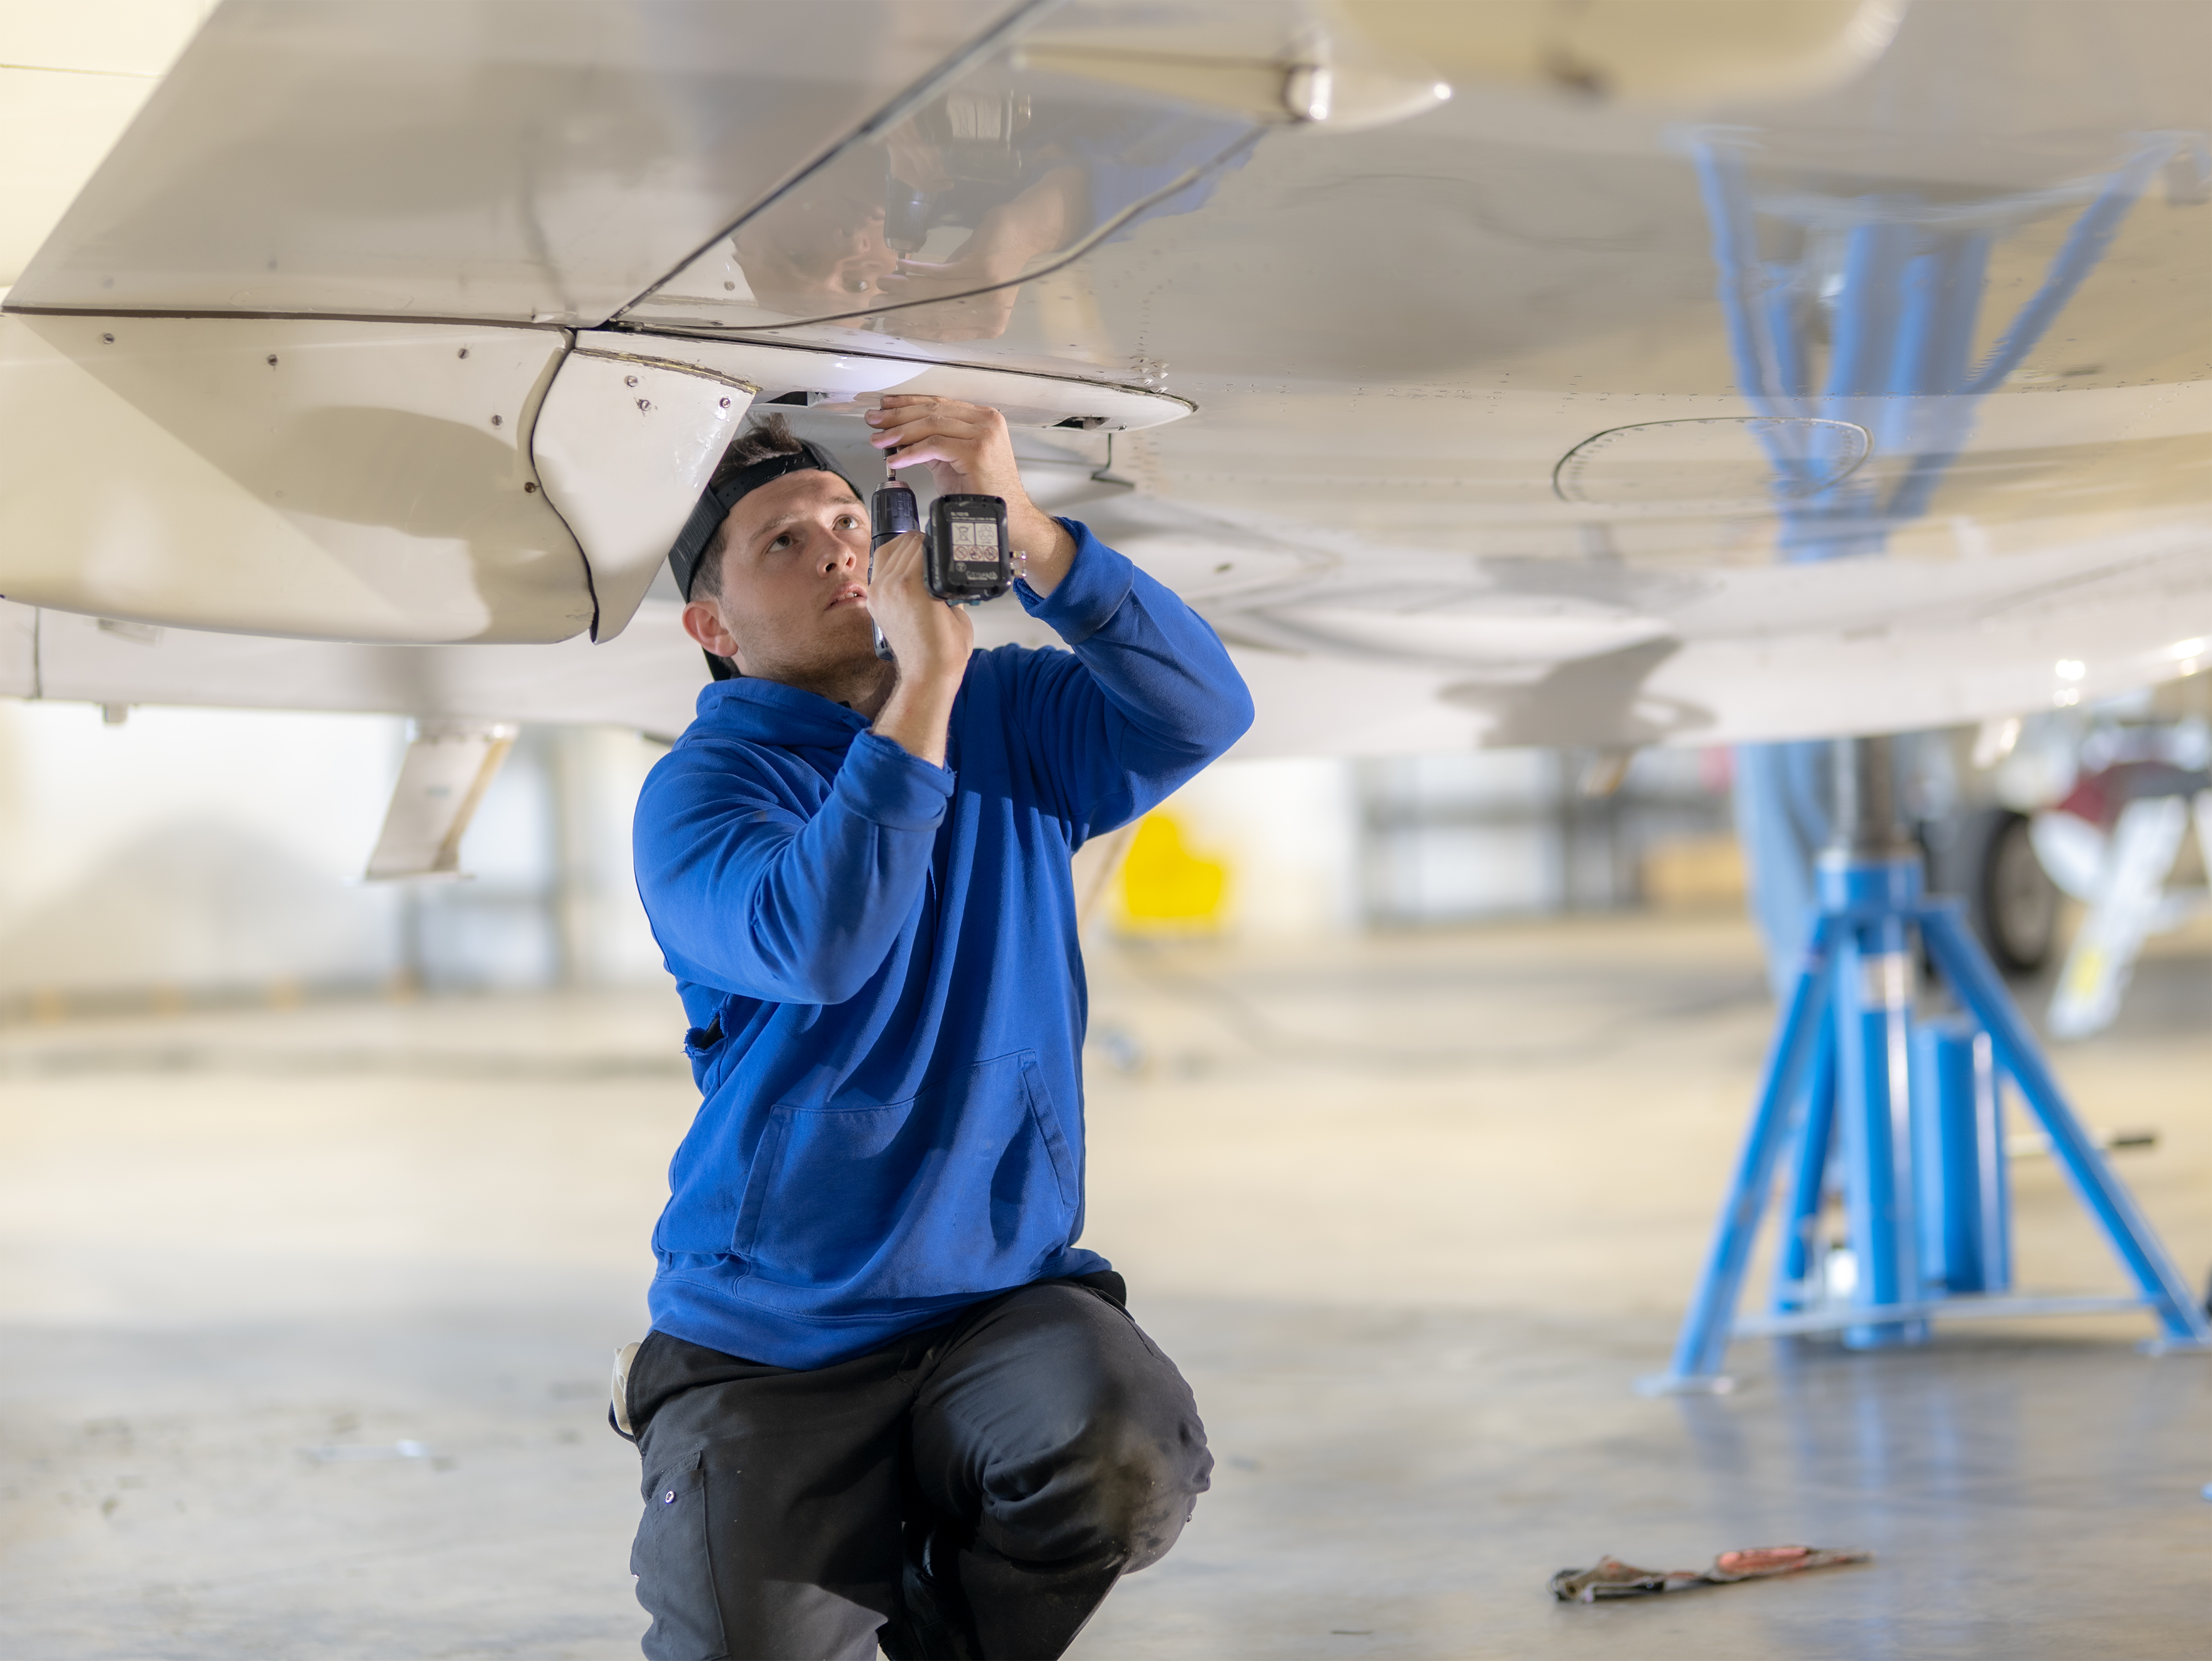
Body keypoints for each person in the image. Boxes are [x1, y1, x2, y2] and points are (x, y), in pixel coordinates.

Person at [615, 395, 1254, 1660]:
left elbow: (1201, 712)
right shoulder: (699, 795)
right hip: (774, 1340)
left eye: (849, 520)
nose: (839, 550)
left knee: (1124, 1445)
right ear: (712, 626)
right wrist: (926, 686)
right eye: (783, 545)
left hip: (996, 1305)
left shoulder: (1007, 718)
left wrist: (1031, 533)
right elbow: (821, 937)